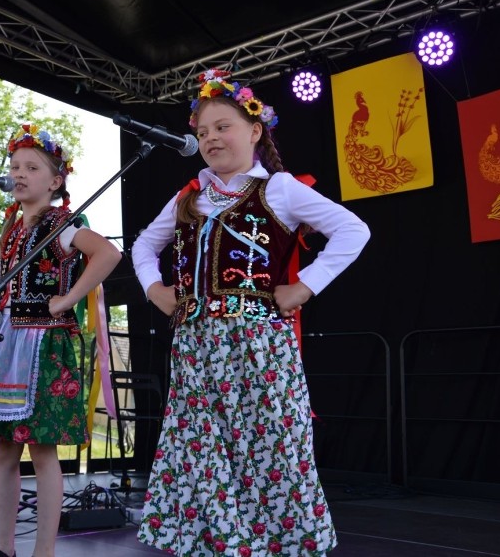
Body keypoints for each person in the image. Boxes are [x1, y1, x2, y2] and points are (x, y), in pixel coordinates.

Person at [131, 69, 370, 556]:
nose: (211, 138)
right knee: (202, 453)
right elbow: (142, 246)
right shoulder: (190, 196)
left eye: (222, 126)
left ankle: (273, 546)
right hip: (196, 346)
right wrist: (157, 290)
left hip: (260, 345)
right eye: (202, 132)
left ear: (255, 131)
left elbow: (353, 230)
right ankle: (221, 545)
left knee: (270, 448)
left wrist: (303, 287)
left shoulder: (279, 189)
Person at [0, 123, 122, 557]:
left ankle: (44, 551)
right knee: (2, 447)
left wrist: (69, 298)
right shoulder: (14, 228)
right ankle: (4, 548)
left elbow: (109, 253)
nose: (18, 174)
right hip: (8, 341)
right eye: (15, 166)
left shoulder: (61, 225)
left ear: (55, 181)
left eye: (31, 167)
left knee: (41, 449)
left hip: (45, 344)